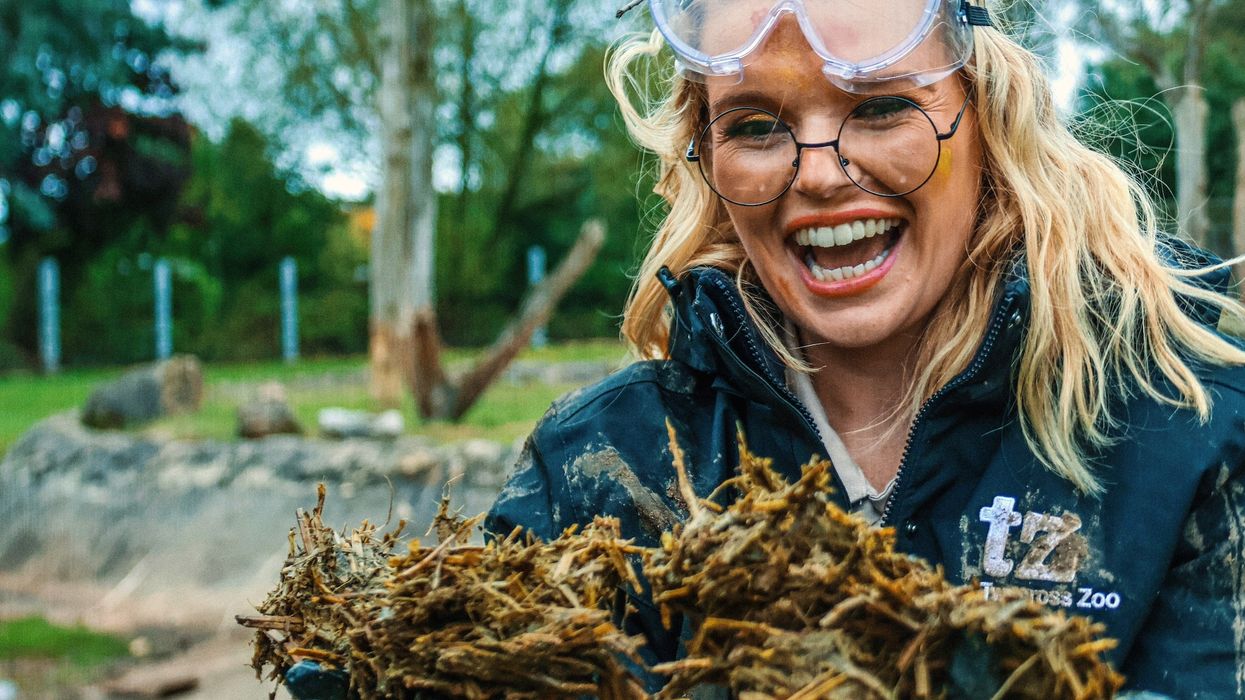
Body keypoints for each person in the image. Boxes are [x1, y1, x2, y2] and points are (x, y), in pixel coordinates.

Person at [483, 0, 1245, 698]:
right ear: (704, 153)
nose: (817, 173)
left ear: (985, 111)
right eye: (754, 126)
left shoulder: (1190, 434)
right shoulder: (601, 473)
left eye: (880, 107)